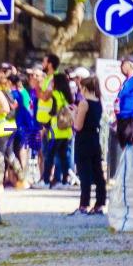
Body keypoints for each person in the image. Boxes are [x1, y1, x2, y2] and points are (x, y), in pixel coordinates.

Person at [0, 69, 26, 188]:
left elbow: (6, 108)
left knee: (1, 155)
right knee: (9, 154)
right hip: (4, 127)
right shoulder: (3, 91)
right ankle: (22, 179)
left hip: (2, 128)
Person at [71, 77, 106, 215]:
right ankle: (100, 203)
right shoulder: (98, 102)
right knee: (98, 172)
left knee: (84, 173)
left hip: (83, 139)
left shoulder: (84, 103)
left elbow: (78, 126)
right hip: (94, 138)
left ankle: (84, 204)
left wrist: (74, 114)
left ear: (84, 88)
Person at [43, 73, 74, 188]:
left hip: (55, 130)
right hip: (66, 131)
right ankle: (64, 180)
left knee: (49, 156)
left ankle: (46, 180)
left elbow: (52, 110)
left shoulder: (55, 94)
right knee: (63, 157)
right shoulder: (66, 95)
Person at [34, 54, 59, 188]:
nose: (42, 63)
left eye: (44, 61)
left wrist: (37, 86)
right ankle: (44, 178)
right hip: (42, 121)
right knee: (43, 152)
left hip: (49, 121)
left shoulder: (53, 79)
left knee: (49, 152)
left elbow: (44, 97)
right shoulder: (48, 79)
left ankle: (49, 179)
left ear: (49, 64)